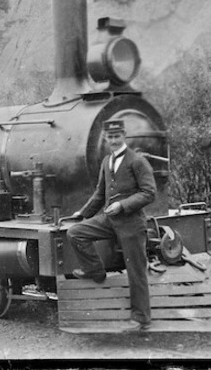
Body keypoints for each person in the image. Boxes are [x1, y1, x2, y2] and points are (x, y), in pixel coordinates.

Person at [67, 119, 156, 332]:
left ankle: (141, 318)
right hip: (109, 220)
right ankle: (96, 272)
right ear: (106, 138)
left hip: (132, 224)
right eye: (110, 137)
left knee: (136, 271)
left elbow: (149, 193)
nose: (114, 141)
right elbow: (100, 194)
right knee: (75, 233)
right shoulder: (107, 161)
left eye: (117, 136)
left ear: (124, 136)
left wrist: (123, 205)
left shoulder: (137, 161)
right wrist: (83, 213)